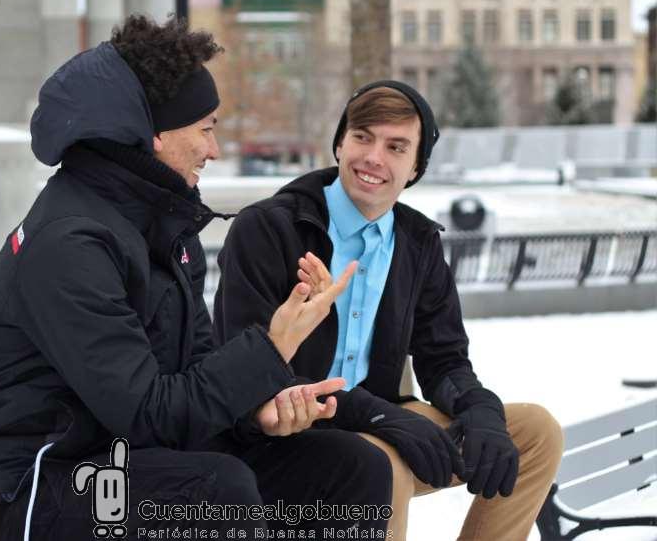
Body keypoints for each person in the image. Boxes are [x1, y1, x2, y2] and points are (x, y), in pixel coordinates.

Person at [0, 15, 393, 541]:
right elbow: (146, 412)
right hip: (32, 490)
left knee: (350, 466)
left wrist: (259, 412)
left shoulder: (163, 228)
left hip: (136, 460)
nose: (214, 149)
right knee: (213, 491)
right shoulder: (70, 242)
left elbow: (192, 375)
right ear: (154, 135)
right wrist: (273, 346)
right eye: (206, 127)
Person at [213, 80, 565, 540]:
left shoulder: (416, 244)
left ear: (416, 165)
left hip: (383, 420)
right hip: (287, 429)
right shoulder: (270, 228)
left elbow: (444, 359)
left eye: (396, 146)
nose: (374, 158)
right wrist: (380, 416)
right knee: (383, 466)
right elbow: (245, 366)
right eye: (363, 137)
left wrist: (479, 410)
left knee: (535, 432)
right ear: (340, 142)